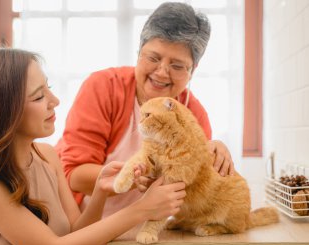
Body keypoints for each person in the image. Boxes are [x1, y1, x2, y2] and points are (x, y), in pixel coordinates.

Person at [0, 48, 186, 245]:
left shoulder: (47, 156)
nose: (55, 100)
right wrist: (141, 210)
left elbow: (76, 233)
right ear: (2, 112)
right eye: (39, 97)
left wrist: (100, 191)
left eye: (47, 88)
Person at [56, 2, 235, 218]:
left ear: (193, 70)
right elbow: (74, 175)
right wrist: (132, 177)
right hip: (85, 224)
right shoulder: (104, 87)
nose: (161, 72)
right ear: (139, 51)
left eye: (177, 66)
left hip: (145, 234)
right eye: (153, 58)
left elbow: (192, 191)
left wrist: (213, 157)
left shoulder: (193, 115)